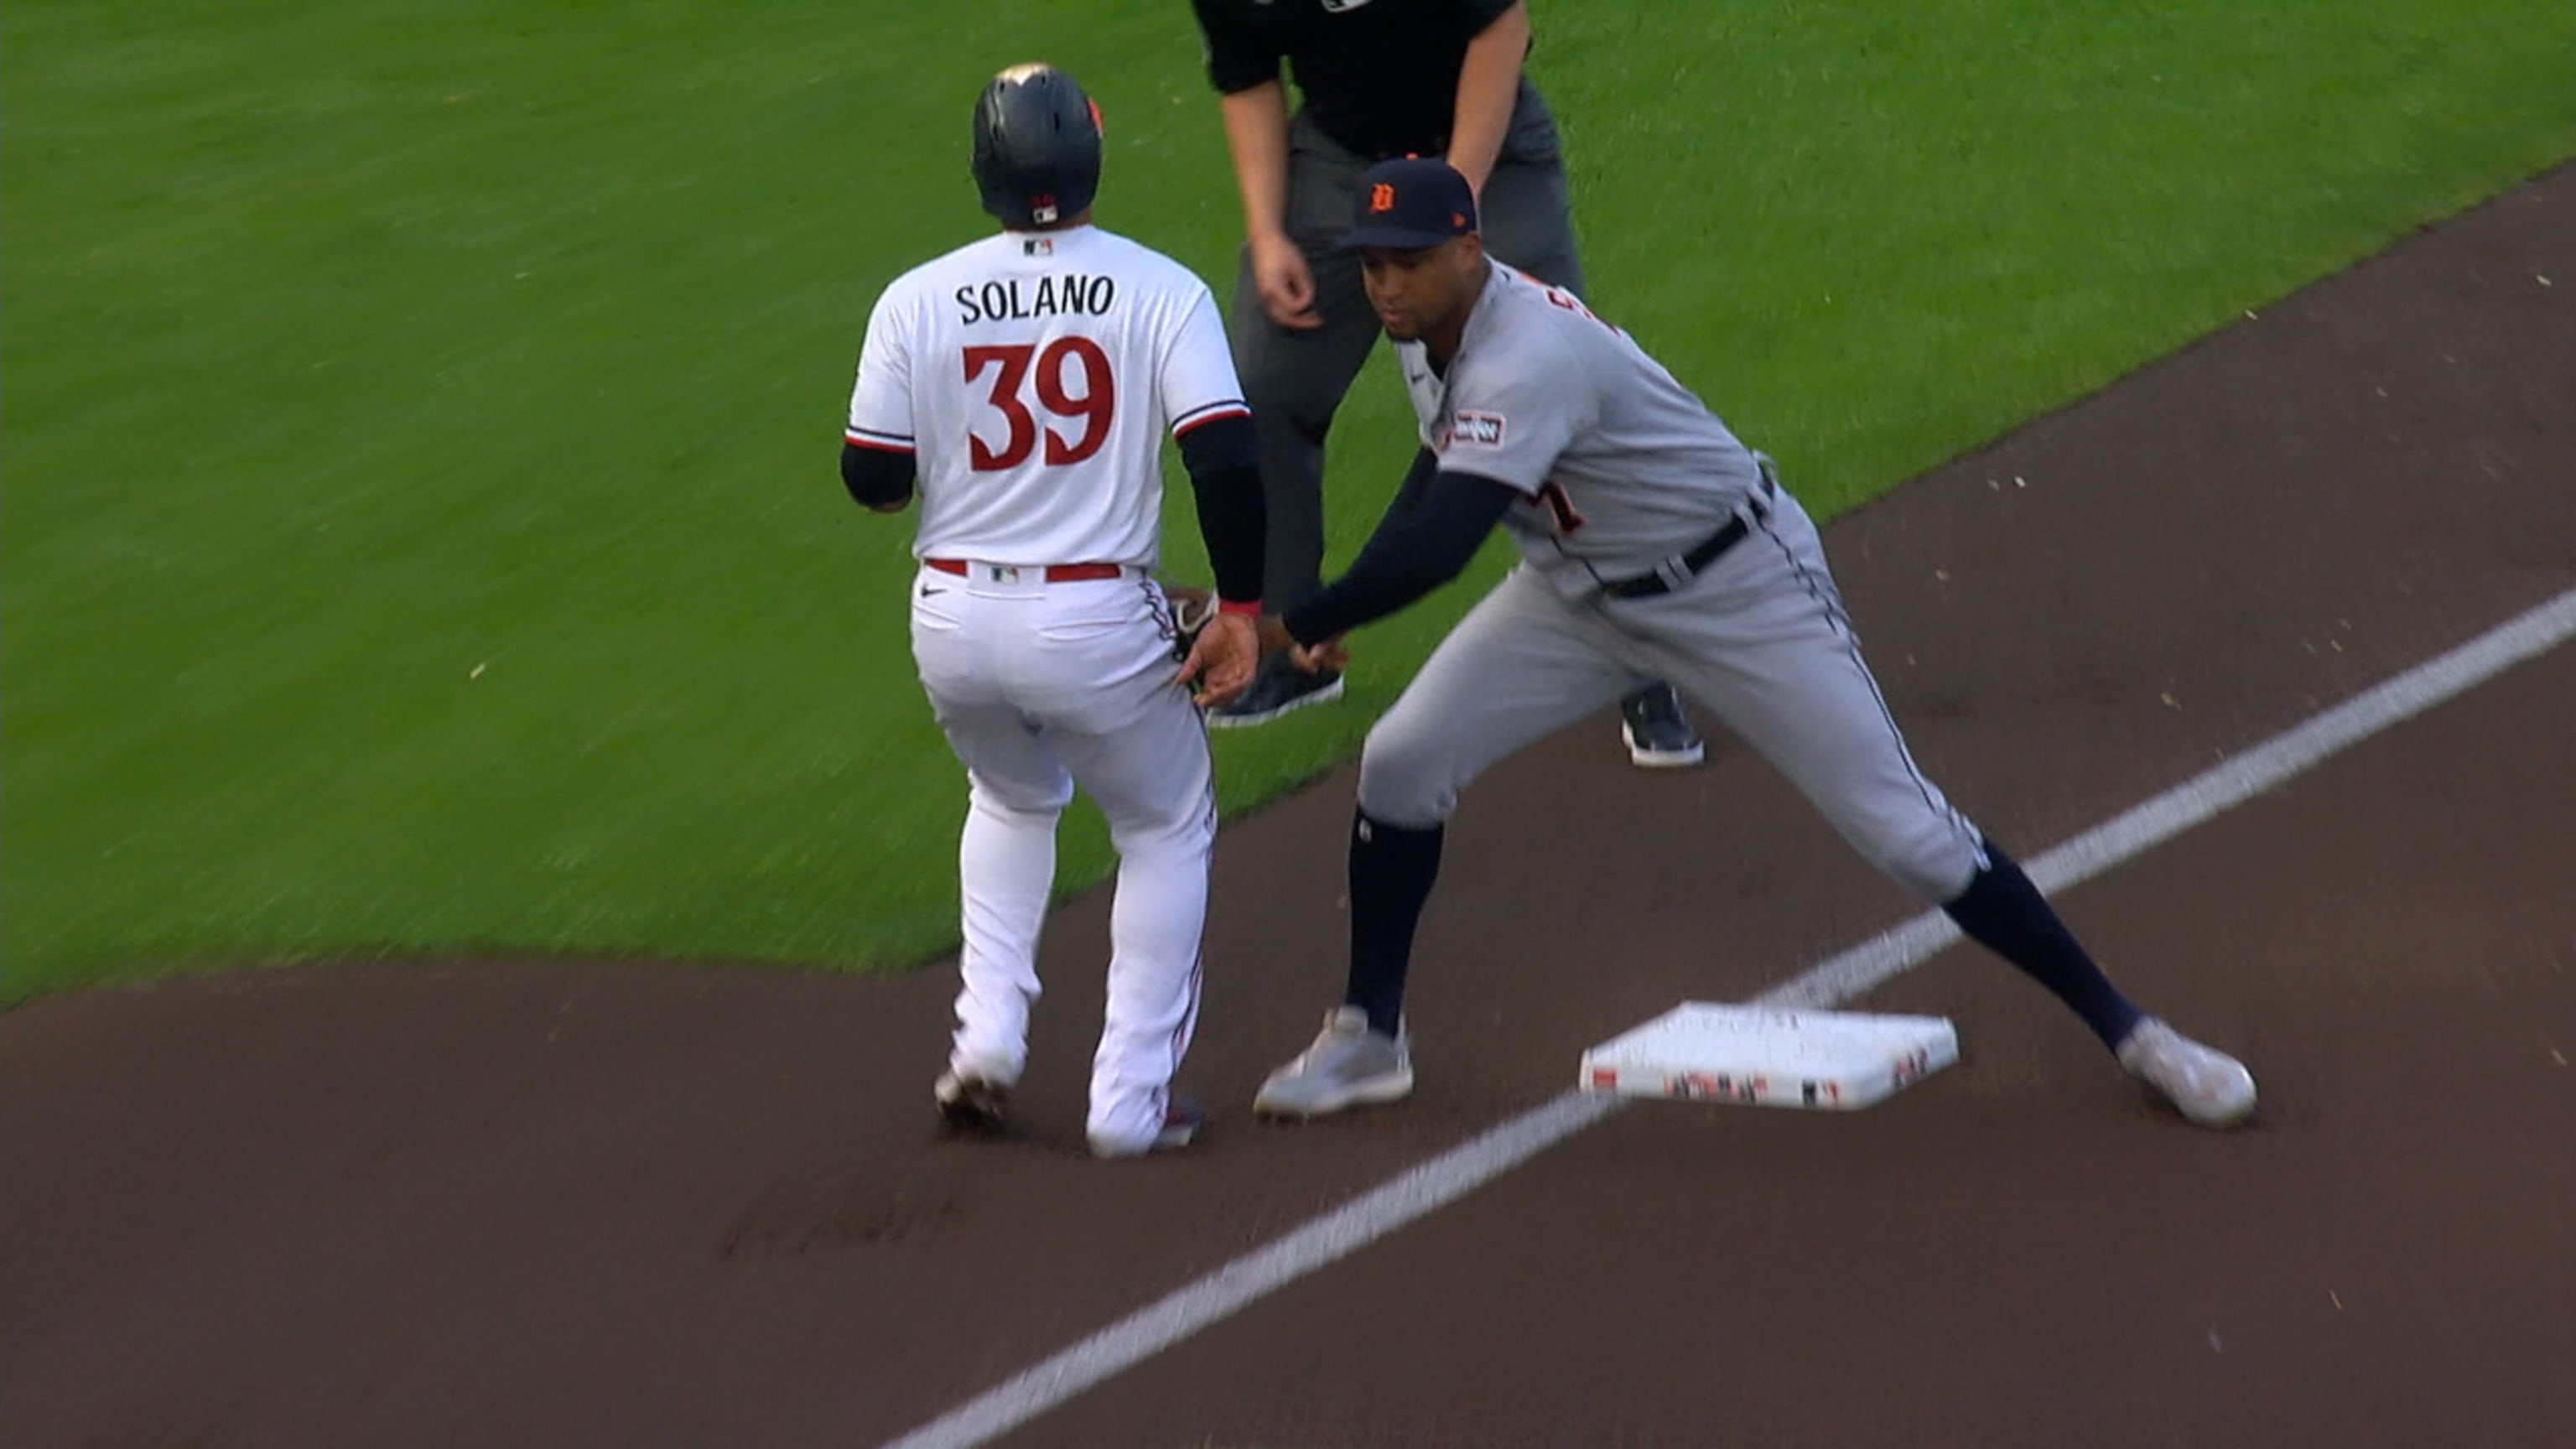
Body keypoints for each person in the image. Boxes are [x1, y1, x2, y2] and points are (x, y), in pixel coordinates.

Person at [1246, 158, 2260, 1130]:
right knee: (1403, 760)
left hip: (1736, 586)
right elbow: (1435, 476)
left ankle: (2136, 1034)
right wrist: (1326, 618)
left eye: (1409, 261)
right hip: (1579, 597)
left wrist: (1300, 621)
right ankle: (1369, 1036)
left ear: (1469, 251)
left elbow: (1441, 546)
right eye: (1374, 264)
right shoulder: (1430, 329)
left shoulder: (1527, 355)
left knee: (1907, 831)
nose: (1387, 286)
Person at [840, 64, 1268, 1159]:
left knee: (1011, 795)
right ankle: (1130, 1098)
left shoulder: (915, 297)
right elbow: (1222, 459)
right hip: (1094, 622)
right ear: (1092, 151)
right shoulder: (1160, 290)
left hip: (952, 618)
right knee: (1165, 824)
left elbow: (875, 479)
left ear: (983, 168)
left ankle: (985, 1039)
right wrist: (1241, 609)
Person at [1188, 0, 1705, 767]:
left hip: (1476, 146)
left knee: (1558, 398)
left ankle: (1640, 658)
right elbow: (1248, 76)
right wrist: (1267, 233)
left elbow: (1501, 27)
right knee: (1263, 386)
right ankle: (1284, 640)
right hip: (1339, 163)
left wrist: (1448, 206)